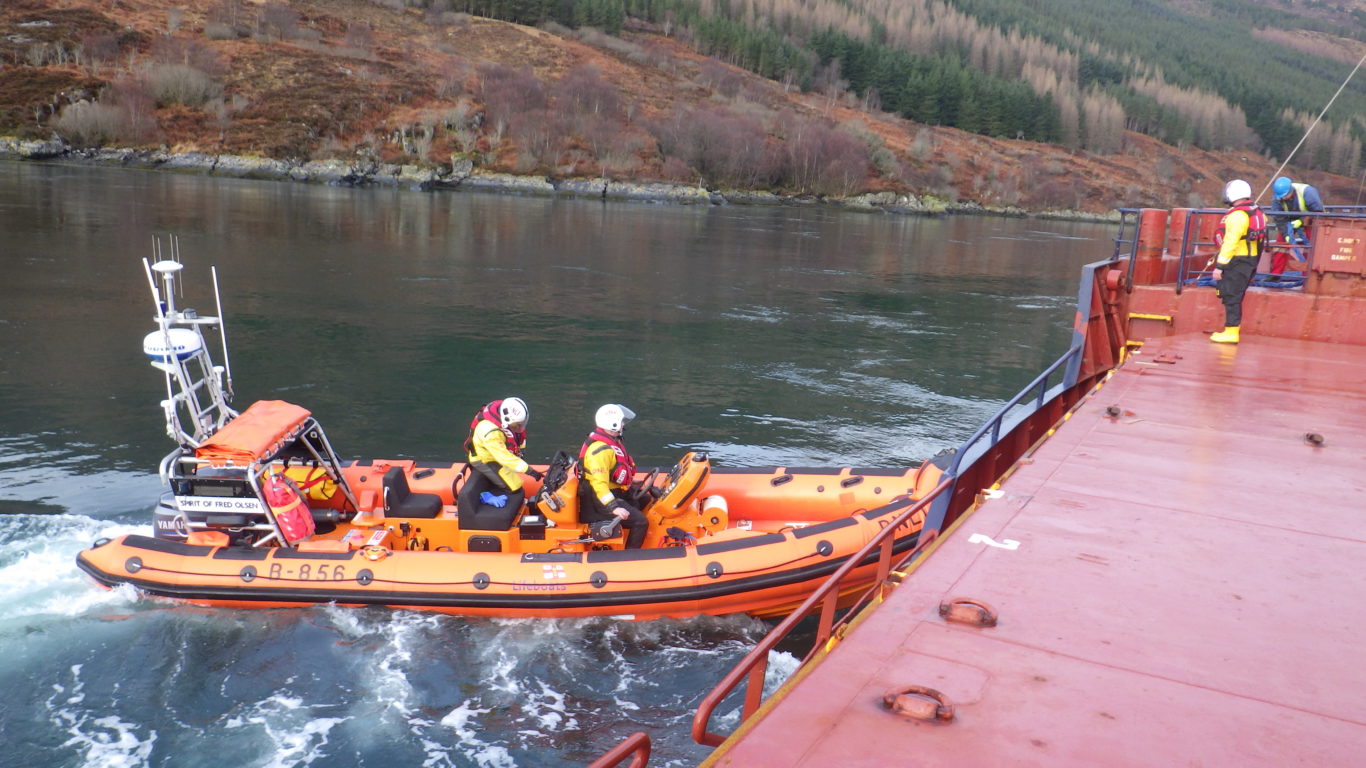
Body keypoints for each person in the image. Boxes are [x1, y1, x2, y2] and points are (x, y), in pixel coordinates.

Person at [459, 397, 542, 528]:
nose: (519, 427)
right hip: (485, 458)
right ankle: (484, 496)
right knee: (513, 487)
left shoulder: (505, 421)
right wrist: (529, 470)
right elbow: (503, 457)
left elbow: (517, 441)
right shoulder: (491, 432)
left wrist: (521, 458)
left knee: (512, 479)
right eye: (517, 425)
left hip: (494, 454)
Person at [577, 403, 648, 549]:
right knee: (640, 522)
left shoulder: (611, 443)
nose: (623, 424)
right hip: (599, 501)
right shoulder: (600, 451)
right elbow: (599, 484)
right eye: (621, 421)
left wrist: (631, 481)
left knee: (646, 499)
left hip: (612, 491)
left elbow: (611, 472)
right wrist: (613, 507)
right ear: (613, 424)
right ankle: (630, 556)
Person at [1209, 179, 1266, 344]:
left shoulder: (1237, 216)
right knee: (1236, 295)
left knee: (1231, 296)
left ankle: (1231, 332)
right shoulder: (1258, 213)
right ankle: (1231, 330)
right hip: (1250, 260)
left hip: (1237, 260)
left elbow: (1230, 243)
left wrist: (1219, 266)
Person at [1269, 176, 1324, 275]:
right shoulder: (1278, 198)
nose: (1283, 198)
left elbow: (1318, 212)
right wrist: (1286, 233)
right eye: (1281, 197)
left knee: (1311, 244)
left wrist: (1301, 221)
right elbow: (1278, 218)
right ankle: (1275, 274)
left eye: (1285, 196)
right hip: (1289, 220)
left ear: (1291, 190)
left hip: (1310, 220)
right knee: (1281, 244)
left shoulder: (1308, 193)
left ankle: (1307, 275)